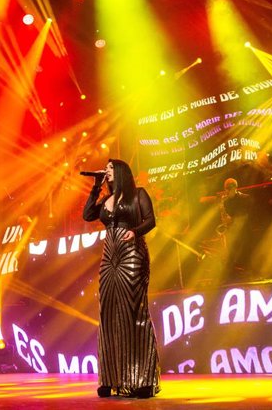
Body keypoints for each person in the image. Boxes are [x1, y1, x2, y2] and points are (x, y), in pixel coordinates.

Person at [82, 159, 160, 398]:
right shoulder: (106, 200)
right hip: (110, 255)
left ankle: (142, 380)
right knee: (108, 311)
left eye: (109, 168)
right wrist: (96, 186)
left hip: (133, 252)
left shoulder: (138, 194)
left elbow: (150, 220)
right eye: (105, 169)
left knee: (133, 310)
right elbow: (87, 215)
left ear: (122, 172)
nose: (106, 171)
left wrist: (134, 231)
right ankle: (111, 377)